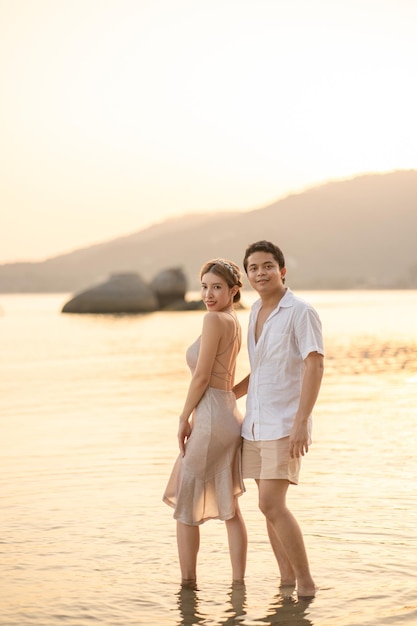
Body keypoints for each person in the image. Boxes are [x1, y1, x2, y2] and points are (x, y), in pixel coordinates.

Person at [233, 240, 324, 598]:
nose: (260, 272)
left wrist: (302, 422)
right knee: (270, 509)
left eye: (267, 266)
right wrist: (226, 395)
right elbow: (261, 370)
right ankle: (285, 580)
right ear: (248, 276)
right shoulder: (254, 311)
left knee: (271, 504)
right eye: (253, 268)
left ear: (282, 271)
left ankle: (306, 583)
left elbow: (315, 364)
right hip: (254, 424)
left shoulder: (301, 312)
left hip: (285, 423)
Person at [163, 259, 248, 586]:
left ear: (233, 290)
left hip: (211, 419)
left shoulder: (214, 320)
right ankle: (238, 586)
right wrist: (226, 401)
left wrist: (184, 417)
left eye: (217, 287)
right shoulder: (234, 321)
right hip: (227, 415)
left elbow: (201, 377)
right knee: (230, 508)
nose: (208, 294)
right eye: (204, 286)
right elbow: (238, 377)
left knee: (186, 503)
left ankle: (188, 588)